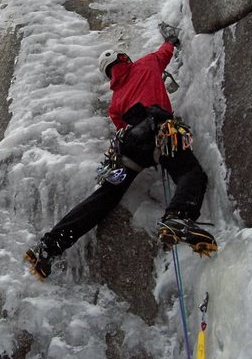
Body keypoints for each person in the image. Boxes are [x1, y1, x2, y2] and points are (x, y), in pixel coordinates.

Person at [25, 24, 217, 279]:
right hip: (160, 131)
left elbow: (121, 126)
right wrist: (170, 40)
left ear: (109, 75)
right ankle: (178, 217)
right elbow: (165, 52)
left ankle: (49, 246)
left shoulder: (115, 102)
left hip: (131, 145)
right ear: (124, 59)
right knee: (190, 173)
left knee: (105, 197)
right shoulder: (147, 64)